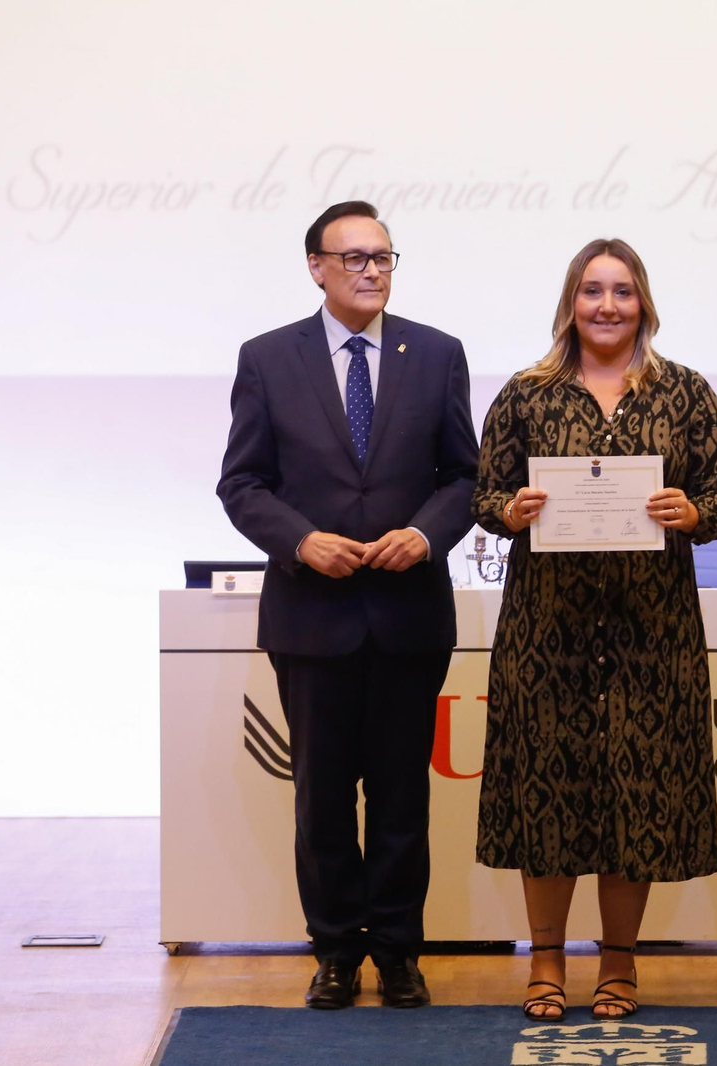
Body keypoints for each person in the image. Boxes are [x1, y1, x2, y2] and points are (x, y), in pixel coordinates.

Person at [217, 201, 478, 1009]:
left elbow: (464, 478)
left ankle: (398, 951)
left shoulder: (436, 354)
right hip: (312, 617)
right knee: (322, 797)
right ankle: (334, 951)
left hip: (407, 613)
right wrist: (300, 541)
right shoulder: (267, 358)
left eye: (385, 257)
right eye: (355, 257)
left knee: (403, 795)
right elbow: (243, 484)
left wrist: (425, 536)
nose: (372, 271)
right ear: (316, 267)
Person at [472, 239, 717, 1021]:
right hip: (544, 637)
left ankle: (620, 966)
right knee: (549, 797)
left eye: (623, 291)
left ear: (644, 303)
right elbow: (485, 495)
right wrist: (510, 511)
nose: (608, 306)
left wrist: (693, 512)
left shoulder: (686, 395)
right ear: (571, 303)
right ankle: (546, 963)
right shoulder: (525, 395)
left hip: (650, 639)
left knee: (638, 799)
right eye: (592, 291)